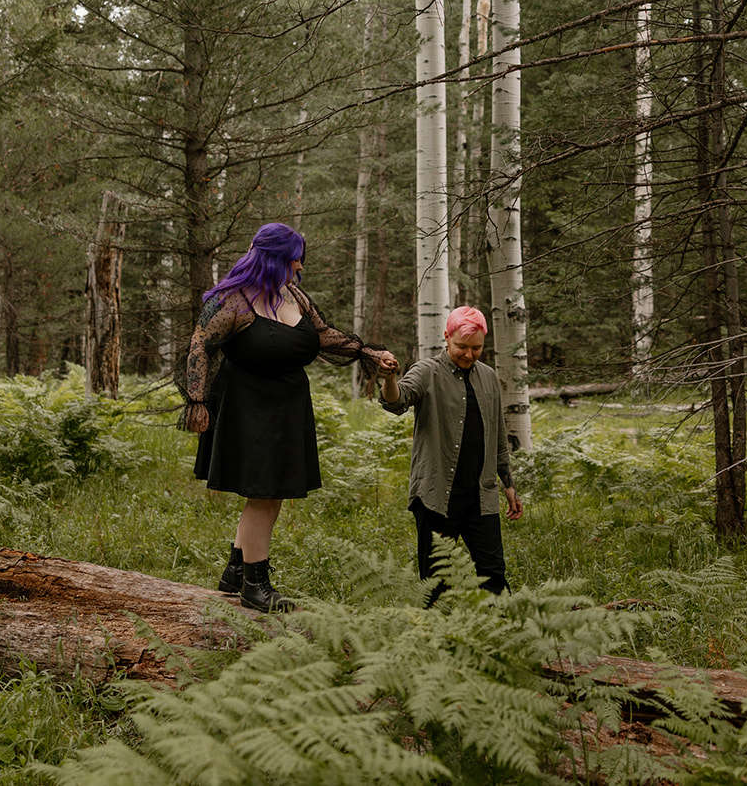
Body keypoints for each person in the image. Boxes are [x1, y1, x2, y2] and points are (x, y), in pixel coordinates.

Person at [182, 222, 398, 612]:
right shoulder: (234, 300)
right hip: (248, 407)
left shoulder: (292, 295)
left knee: (272, 491)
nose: (300, 267)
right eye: (296, 259)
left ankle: (235, 572)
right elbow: (199, 343)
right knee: (263, 495)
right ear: (276, 258)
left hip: (286, 407)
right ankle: (255, 584)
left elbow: (323, 334)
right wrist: (197, 400)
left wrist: (367, 353)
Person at [379, 306, 523, 602]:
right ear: (447, 337)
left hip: (481, 495)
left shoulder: (489, 377)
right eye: (461, 347)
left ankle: (507, 639)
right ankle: (434, 642)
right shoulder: (427, 371)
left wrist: (508, 484)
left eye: (476, 348)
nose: (469, 354)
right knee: (436, 584)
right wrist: (390, 378)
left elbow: (497, 437)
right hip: (436, 495)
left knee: (493, 574)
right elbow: (397, 402)